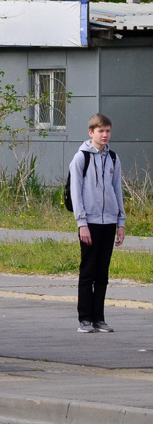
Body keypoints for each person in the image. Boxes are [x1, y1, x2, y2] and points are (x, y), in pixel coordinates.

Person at [68, 113, 125, 333]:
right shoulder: (82, 157)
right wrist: (82, 222)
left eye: (108, 131)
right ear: (91, 133)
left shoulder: (113, 158)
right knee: (88, 270)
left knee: (103, 272)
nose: (105, 135)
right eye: (101, 131)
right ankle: (85, 319)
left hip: (109, 221)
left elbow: (117, 189)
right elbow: (76, 192)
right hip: (89, 221)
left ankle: (99, 318)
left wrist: (121, 221)